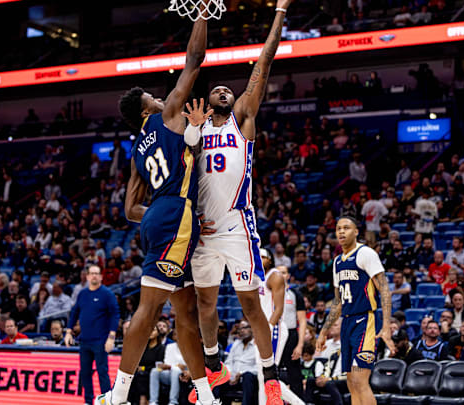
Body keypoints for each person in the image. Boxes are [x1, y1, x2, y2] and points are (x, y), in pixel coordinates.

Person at [108, 5, 220, 404]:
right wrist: (202, 14)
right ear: (145, 109)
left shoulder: (137, 150)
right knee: (150, 307)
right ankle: (118, 395)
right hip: (174, 216)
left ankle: (205, 395)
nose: (159, 97)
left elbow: (128, 209)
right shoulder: (169, 114)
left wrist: (161, 213)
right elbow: (194, 60)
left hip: (159, 216)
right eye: (151, 97)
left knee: (185, 312)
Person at [189, 2, 292, 403]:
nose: (225, 90)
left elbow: (263, 64)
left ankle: (270, 374)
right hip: (202, 228)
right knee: (205, 302)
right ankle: (214, 368)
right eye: (218, 90)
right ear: (207, 101)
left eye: (229, 89)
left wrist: (280, 11)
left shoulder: (242, 118)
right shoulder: (195, 127)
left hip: (236, 225)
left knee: (251, 302)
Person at [315, 217, 395, 405]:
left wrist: (385, 327)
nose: (341, 232)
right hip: (346, 322)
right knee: (351, 382)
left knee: (360, 380)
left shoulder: (365, 253)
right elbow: (337, 301)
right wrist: (323, 332)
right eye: (338, 228)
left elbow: (384, 289)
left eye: (346, 228)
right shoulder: (337, 262)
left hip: (364, 320)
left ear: (356, 231)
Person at [255, 249, 305, 404]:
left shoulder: (275, 276)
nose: (260, 259)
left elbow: (279, 309)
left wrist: (267, 330)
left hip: (274, 328)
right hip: (261, 329)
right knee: (262, 375)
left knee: (268, 374)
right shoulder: (257, 277)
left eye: (264, 256)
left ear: (270, 260)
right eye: (258, 256)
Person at [66, 265, 120, 404]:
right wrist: (68, 331)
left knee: (102, 372)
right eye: (92, 273)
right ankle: (88, 401)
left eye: (97, 273)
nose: (94, 276)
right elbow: (74, 313)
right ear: (88, 276)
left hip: (101, 340)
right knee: (85, 373)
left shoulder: (107, 294)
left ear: (101, 277)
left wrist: (111, 337)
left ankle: (106, 401)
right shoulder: (82, 294)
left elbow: (115, 314)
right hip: (85, 340)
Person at [221, 320, 259, 405]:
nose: (241, 331)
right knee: (217, 379)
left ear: (252, 329)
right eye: (239, 329)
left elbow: (258, 367)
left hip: (247, 379)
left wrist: (241, 373)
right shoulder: (235, 344)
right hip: (232, 378)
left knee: (248, 377)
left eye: (244, 328)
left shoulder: (257, 345)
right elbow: (228, 362)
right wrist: (229, 375)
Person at [149, 329, 186, 405]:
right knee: (155, 371)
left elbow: (184, 365)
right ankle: (153, 401)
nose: (177, 336)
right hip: (169, 372)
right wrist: (174, 365)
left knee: (176, 370)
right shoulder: (169, 346)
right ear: (173, 337)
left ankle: (173, 402)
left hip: (183, 373)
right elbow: (167, 362)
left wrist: (173, 366)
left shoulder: (189, 347)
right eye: (175, 334)